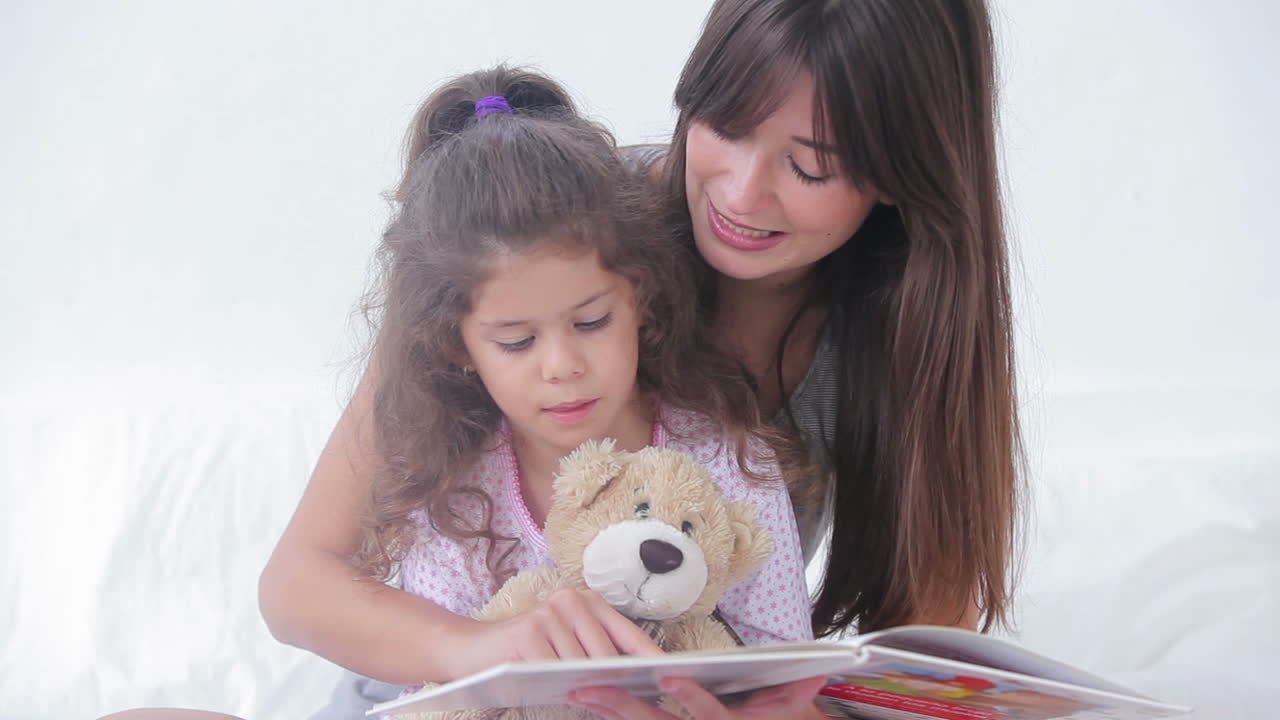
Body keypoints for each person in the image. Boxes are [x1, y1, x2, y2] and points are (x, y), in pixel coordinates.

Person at [272, 0, 1023, 717]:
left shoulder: (906, 342)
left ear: (901, 176)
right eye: (724, 125)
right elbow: (299, 582)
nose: (741, 192)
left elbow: (925, 675)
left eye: (810, 167)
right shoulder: (556, 228)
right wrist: (484, 648)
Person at [258, 65, 821, 719]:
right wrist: (480, 647)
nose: (561, 365)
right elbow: (438, 698)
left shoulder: (727, 460)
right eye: (517, 342)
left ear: (640, 295)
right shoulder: (455, 489)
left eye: (590, 322)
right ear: (457, 347)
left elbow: (789, 682)